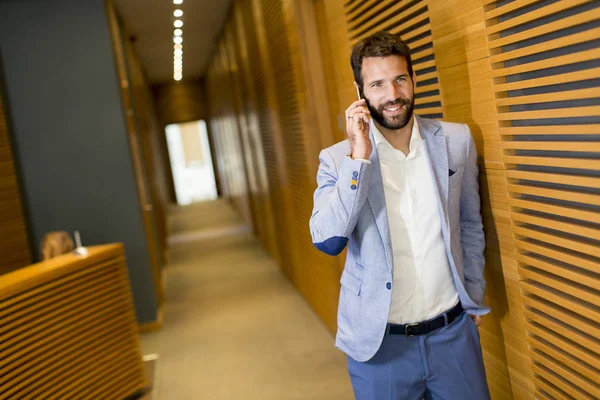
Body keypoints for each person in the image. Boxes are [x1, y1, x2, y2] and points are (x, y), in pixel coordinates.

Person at [309, 31, 491, 399]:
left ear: (413, 79)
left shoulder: (456, 141)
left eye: (400, 79)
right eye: (377, 84)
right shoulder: (337, 160)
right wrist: (358, 160)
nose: (392, 95)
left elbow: (470, 224)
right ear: (360, 92)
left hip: (452, 336)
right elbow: (327, 240)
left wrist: (472, 294)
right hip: (381, 349)